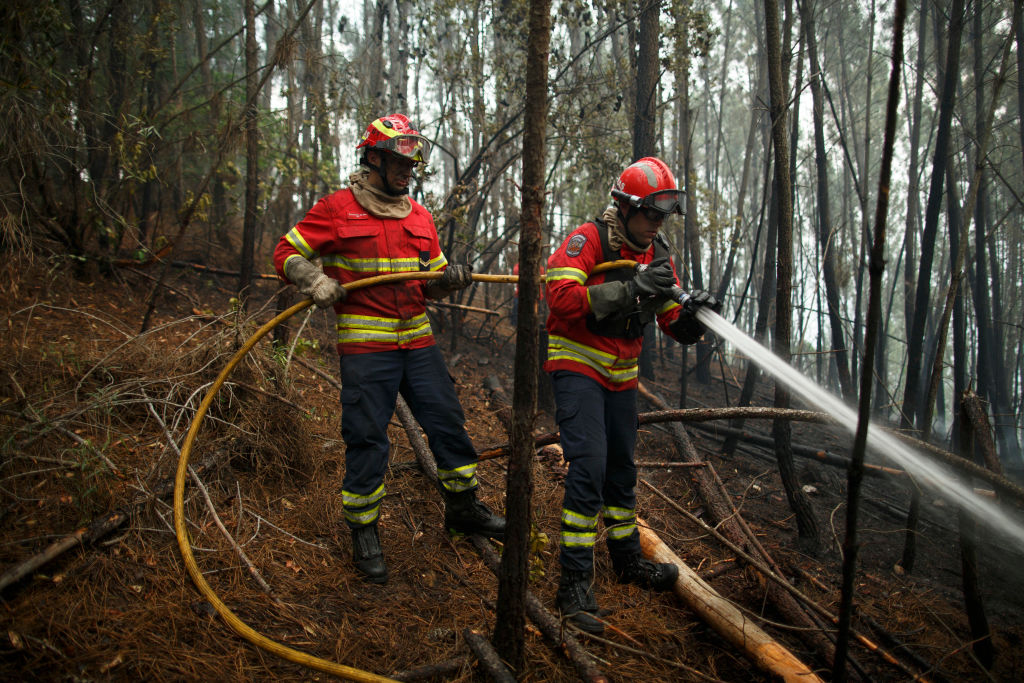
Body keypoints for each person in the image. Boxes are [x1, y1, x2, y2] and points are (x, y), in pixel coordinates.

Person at [273, 113, 505, 584]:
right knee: (366, 438)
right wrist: (313, 278)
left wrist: (450, 281)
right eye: (400, 161)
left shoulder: (419, 215)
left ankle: (463, 509)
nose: (409, 170)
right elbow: (285, 252)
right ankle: (364, 531)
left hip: (418, 343)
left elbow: (429, 282)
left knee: (448, 423)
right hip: (366, 348)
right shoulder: (337, 208)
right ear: (374, 157)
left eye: (414, 162)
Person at [544, 156, 721, 633]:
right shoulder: (589, 240)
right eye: (650, 213)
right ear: (623, 208)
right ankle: (575, 584)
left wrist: (694, 318)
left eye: (664, 215)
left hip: (621, 378)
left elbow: (669, 317)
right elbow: (559, 300)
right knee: (590, 466)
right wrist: (629, 288)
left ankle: (626, 560)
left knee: (622, 470)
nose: (656, 223)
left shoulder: (657, 252)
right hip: (577, 366)